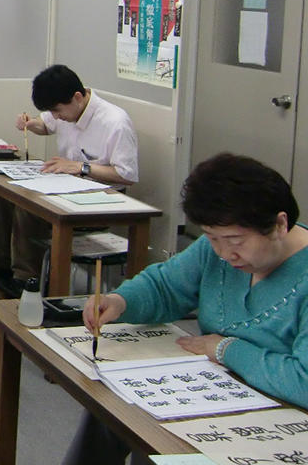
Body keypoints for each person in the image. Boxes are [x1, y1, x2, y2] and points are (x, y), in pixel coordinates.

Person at [65, 152, 308, 464]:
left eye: (235, 240)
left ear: (279, 225)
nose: (223, 253)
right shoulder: (217, 249)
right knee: (115, 408)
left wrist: (225, 349)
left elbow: (303, 382)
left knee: (157, 444)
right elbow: (166, 286)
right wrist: (120, 301)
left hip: (281, 421)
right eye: (212, 238)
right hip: (216, 391)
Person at [0, 64, 139, 291]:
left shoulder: (115, 122)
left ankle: (27, 279)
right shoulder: (66, 109)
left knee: (29, 208)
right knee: (8, 193)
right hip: (66, 186)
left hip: (99, 199)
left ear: (77, 97)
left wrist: (80, 167)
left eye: (58, 111)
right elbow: (45, 125)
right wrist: (30, 123)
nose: (56, 117)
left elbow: (126, 175)